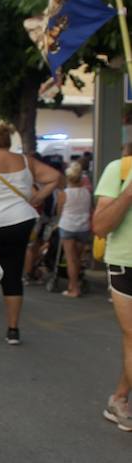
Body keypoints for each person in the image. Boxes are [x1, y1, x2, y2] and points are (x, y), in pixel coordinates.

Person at [0, 123, 63, 344]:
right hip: (20, 221)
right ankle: (13, 330)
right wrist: (39, 197)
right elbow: (54, 177)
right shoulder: (26, 161)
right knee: (13, 273)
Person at [92, 147, 132, 431]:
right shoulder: (119, 170)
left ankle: (119, 398)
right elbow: (100, 226)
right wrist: (129, 192)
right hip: (125, 263)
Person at [56, 161, 92, 297]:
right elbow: (90, 209)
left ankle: (74, 288)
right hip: (83, 227)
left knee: (70, 259)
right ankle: (74, 284)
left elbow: (59, 212)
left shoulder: (63, 194)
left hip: (68, 226)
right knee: (78, 258)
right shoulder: (87, 192)